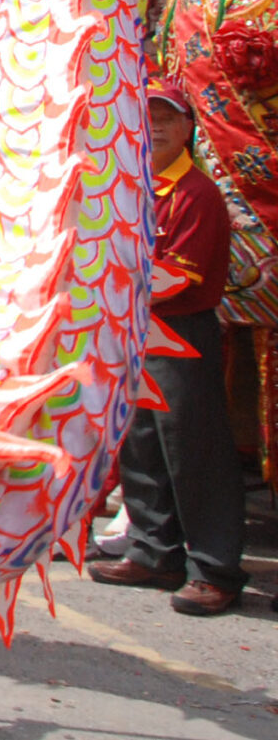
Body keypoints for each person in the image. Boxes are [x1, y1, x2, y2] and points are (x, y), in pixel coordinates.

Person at [90, 81, 244, 615]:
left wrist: (107, 281)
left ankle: (214, 568)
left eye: (166, 117)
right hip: (133, 329)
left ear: (187, 129)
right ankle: (154, 552)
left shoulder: (196, 192)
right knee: (141, 444)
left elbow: (178, 278)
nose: (153, 126)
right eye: (145, 114)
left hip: (179, 332)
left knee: (194, 452)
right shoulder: (130, 184)